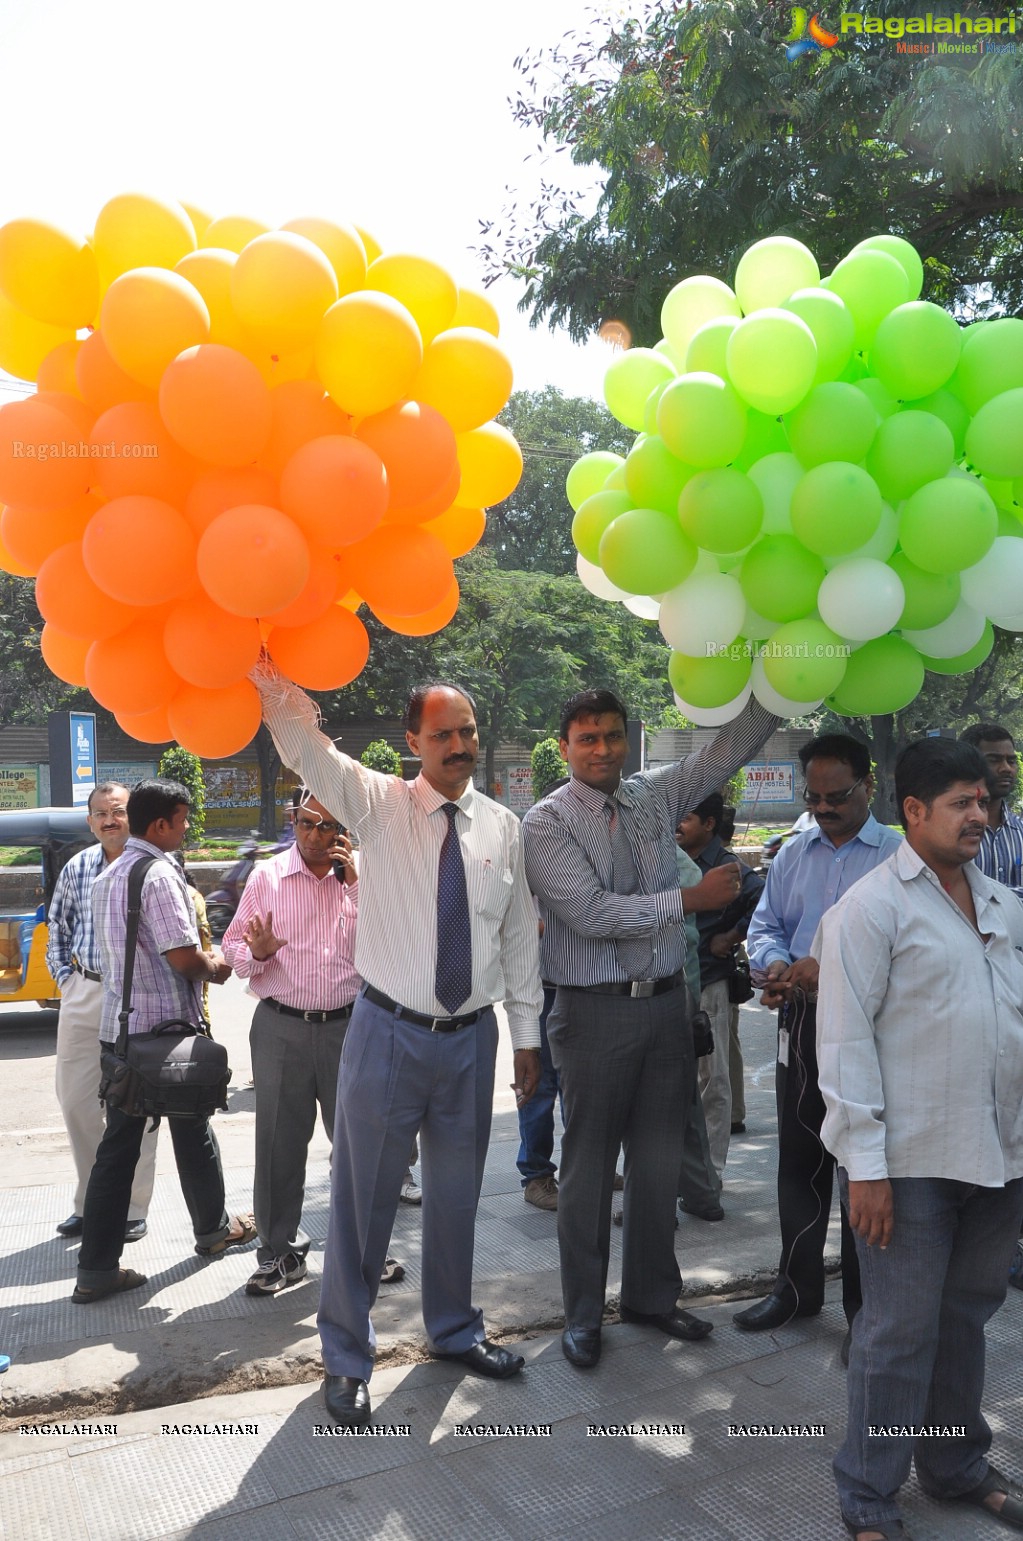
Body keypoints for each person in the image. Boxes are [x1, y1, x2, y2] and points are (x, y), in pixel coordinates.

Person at [253, 663, 543, 1428]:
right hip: (385, 1033)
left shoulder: (503, 828)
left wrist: (526, 1035)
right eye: (442, 733)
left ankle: (452, 1330)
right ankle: (346, 1357)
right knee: (362, 1202)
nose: (458, 744)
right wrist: (269, 668)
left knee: (455, 1199)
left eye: (468, 730)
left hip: (470, 1040)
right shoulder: (377, 803)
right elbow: (301, 744)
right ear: (411, 741)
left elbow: (515, 938)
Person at [522, 688, 778, 1370]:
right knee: (585, 1169)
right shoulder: (545, 822)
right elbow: (592, 913)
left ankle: (650, 1295)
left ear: (626, 739)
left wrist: (777, 691)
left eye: (611, 735)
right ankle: (581, 1314)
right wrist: (689, 901)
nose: (601, 749)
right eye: (587, 738)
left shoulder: (653, 794)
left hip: (667, 1004)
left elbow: (724, 750)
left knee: (659, 1161)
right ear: (564, 747)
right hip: (591, 1010)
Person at [815, 737, 1023, 1541]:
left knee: (965, 1314)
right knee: (897, 1330)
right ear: (911, 810)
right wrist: (863, 1167)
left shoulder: (1003, 904)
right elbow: (842, 1046)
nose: (979, 814)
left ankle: (953, 1464)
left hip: (999, 1155)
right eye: (960, 803)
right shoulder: (869, 909)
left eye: (983, 801)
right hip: (906, 1165)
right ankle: (867, 1492)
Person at [737, 734, 902, 1341]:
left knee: (862, 1165)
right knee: (800, 1159)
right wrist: (775, 964)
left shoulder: (896, 858)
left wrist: (829, 968)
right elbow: (766, 923)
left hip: (873, 1030)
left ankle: (866, 1313)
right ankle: (797, 1289)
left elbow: (903, 951)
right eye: (815, 796)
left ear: (868, 785)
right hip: (802, 1024)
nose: (825, 807)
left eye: (838, 796)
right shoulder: (793, 853)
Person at [73, 779, 255, 1304]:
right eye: (181, 821)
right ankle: (211, 1232)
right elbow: (185, 959)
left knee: (123, 1148)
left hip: (122, 1035)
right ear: (160, 825)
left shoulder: (109, 873)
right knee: (187, 1133)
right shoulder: (158, 876)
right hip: (163, 1040)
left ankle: (98, 1267)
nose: (186, 829)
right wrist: (225, 964)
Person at [47, 782, 156, 1243]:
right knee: (76, 1101)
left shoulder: (150, 867)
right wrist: (66, 981)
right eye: (100, 814)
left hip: (137, 1000)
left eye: (118, 811)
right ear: (90, 822)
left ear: (133, 817)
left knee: (136, 1103)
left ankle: (132, 1206)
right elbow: (58, 925)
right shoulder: (78, 867)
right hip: (85, 993)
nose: (109, 820)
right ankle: (92, 1200)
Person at [676, 792, 763, 1185]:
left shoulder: (727, 866)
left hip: (710, 983)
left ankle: (710, 1176)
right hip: (670, 985)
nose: (678, 824)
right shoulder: (669, 860)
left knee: (712, 1082)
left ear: (709, 825)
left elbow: (764, 902)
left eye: (687, 817)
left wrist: (730, 937)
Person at [961, 721, 1023, 897]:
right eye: (994, 760)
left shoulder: (1021, 831)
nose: (1006, 769)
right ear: (968, 763)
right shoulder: (950, 833)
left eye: (1011, 761)